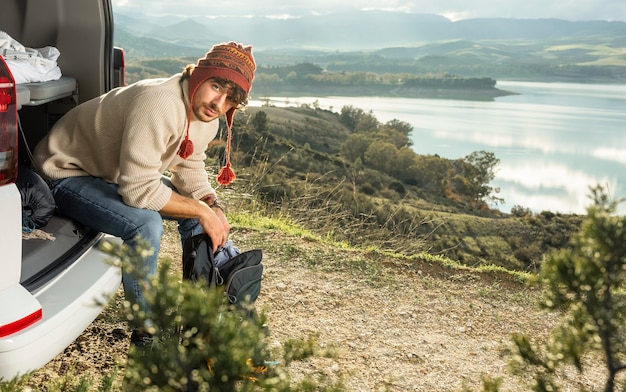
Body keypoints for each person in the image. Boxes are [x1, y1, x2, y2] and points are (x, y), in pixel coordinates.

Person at [32, 42, 256, 345]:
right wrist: (201, 210)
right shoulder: (160, 102)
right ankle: (146, 337)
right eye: (216, 86)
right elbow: (138, 192)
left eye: (231, 99)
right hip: (63, 173)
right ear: (198, 76)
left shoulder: (206, 118)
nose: (219, 103)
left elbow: (188, 170)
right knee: (145, 224)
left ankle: (199, 321)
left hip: (108, 175)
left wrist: (211, 204)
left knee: (196, 215)